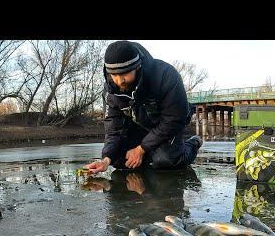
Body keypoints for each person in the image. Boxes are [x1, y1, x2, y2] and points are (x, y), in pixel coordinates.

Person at [85, 41, 203, 173]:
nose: (119, 81)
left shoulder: (166, 76)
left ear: (137, 66)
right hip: (141, 126)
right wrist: (106, 159)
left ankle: (193, 144)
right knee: (118, 160)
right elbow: (114, 129)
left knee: (165, 160)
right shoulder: (110, 91)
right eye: (114, 75)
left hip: (169, 125)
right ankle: (148, 153)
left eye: (124, 74)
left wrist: (141, 149)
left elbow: (173, 120)